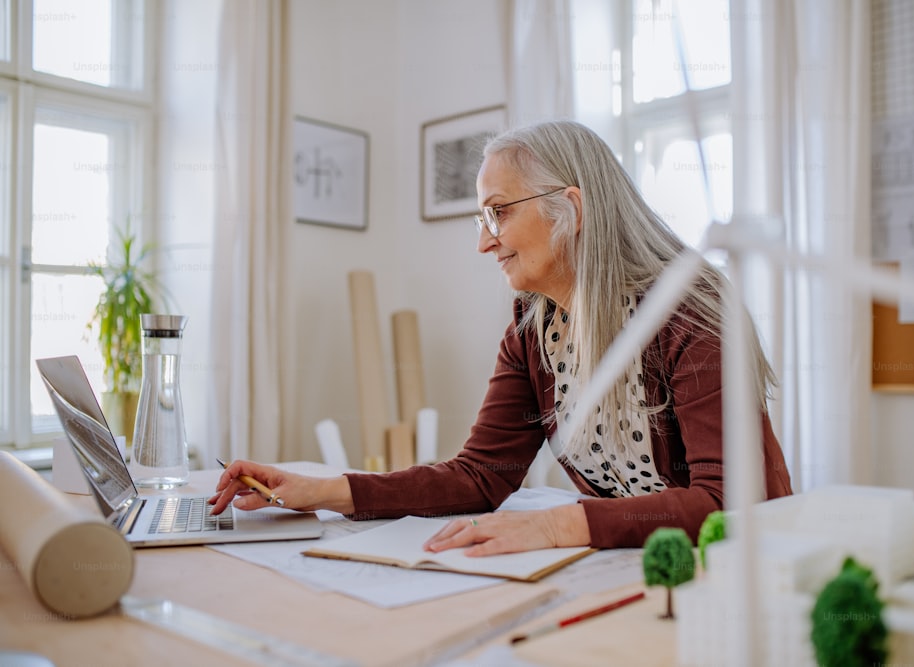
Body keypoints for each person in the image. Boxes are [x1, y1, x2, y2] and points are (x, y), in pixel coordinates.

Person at [210, 120, 793, 555]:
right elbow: (480, 476)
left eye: (499, 213)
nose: (485, 243)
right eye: (482, 220)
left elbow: (726, 503)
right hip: (636, 568)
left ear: (570, 209)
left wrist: (556, 524)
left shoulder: (690, 312)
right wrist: (319, 490)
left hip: (740, 575)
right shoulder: (533, 326)